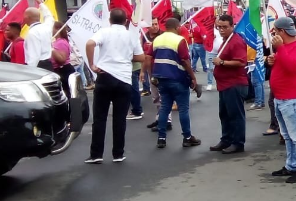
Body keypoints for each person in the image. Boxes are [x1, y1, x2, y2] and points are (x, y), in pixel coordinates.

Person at [84, 9, 145, 164]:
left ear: (109, 20)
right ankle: (118, 154)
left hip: (105, 76)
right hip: (124, 79)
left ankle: (96, 154)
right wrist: (125, 56)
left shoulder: (104, 32)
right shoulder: (131, 35)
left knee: (99, 118)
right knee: (120, 119)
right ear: (125, 21)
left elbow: (90, 43)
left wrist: (92, 64)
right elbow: (142, 57)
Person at [266, 17, 296, 183]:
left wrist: (280, 49)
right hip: (281, 97)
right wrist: (274, 59)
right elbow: (284, 65)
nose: (273, 34)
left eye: (275, 31)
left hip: (292, 98)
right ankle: (291, 165)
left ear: (282, 32)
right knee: (287, 135)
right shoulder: (285, 47)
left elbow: (292, 68)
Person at [150, 18, 201, 149]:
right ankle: (187, 137)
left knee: (164, 108)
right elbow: (185, 61)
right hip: (178, 79)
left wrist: (152, 75)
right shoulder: (179, 40)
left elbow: (149, 57)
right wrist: (193, 77)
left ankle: (161, 139)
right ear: (177, 27)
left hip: (162, 80)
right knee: (183, 109)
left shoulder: (157, 40)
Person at [209, 15, 249, 154]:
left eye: (225, 27)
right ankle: (226, 139)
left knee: (235, 115)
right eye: (219, 27)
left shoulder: (236, 41)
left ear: (232, 26)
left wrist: (221, 62)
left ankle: (238, 143)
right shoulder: (226, 41)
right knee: (224, 114)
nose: (221, 30)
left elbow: (241, 62)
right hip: (224, 84)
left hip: (234, 84)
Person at [23, 0, 56, 70]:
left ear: (27, 18)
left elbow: (34, 57)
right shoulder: (46, 27)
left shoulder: (32, 33)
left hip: (39, 67)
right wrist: (38, 0)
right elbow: (49, 16)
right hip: (48, 65)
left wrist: (30, 72)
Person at [51, 21, 75, 97]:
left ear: (57, 29)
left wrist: (51, 49)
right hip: (60, 71)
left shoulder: (61, 42)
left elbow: (62, 60)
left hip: (63, 71)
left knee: (66, 94)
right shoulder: (57, 42)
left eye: (52, 28)